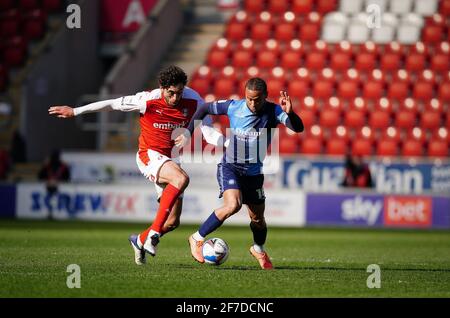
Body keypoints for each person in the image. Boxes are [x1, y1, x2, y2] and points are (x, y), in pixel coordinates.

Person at [48, 65, 224, 265]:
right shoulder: (146, 100)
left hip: (172, 159)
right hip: (149, 155)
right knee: (181, 178)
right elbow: (112, 104)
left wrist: (227, 143)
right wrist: (75, 111)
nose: (175, 98)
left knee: (173, 222)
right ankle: (154, 234)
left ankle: (139, 240)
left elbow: (208, 131)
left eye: (179, 93)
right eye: (171, 93)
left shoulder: (194, 100)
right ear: (162, 87)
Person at [175, 77, 304, 270]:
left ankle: (258, 249)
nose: (253, 103)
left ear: (266, 96)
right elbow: (203, 109)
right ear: (244, 96)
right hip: (231, 166)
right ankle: (196, 238)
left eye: (257, 99)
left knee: (258, 220)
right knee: (233, 205)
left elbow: (298, 128)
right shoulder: (234, 106)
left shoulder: (274, 111)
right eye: (249, 99)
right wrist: (187, 132)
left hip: (253, 173)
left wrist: (290, 113)